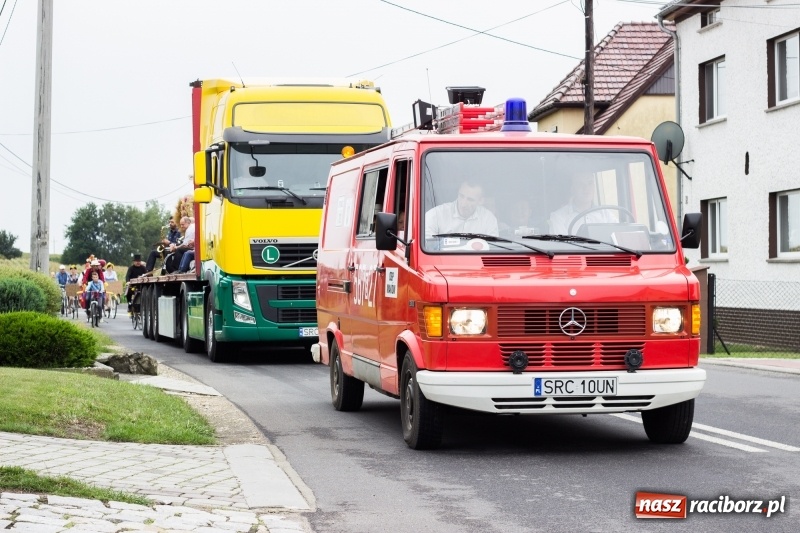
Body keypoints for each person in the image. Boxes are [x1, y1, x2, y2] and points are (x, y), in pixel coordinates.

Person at [424, 180, 499, 239]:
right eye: (461, 196)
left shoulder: (488, 219)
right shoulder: (436, 215)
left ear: (481, 201)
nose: (463, 204)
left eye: (470, 199)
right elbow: (427, 245)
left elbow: (492, 247)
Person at [548, 172, 616, 235]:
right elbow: (561, 247)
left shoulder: (605, 214)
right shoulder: (558, 217)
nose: (586, 188)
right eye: (580, 184)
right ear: (572, 189)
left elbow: (618, 239)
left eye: (590, 183)